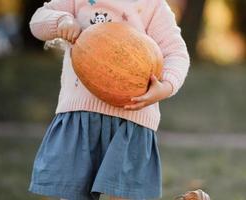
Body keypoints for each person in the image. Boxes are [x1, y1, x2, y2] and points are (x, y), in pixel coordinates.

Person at [28, 0, 190, 199]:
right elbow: (38, 20)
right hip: (80, 118)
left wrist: (165, 86)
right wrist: (62, 20)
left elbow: (176, 52)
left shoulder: (153, 5)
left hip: (131, 122)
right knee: (73, 194)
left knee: (123, 196)